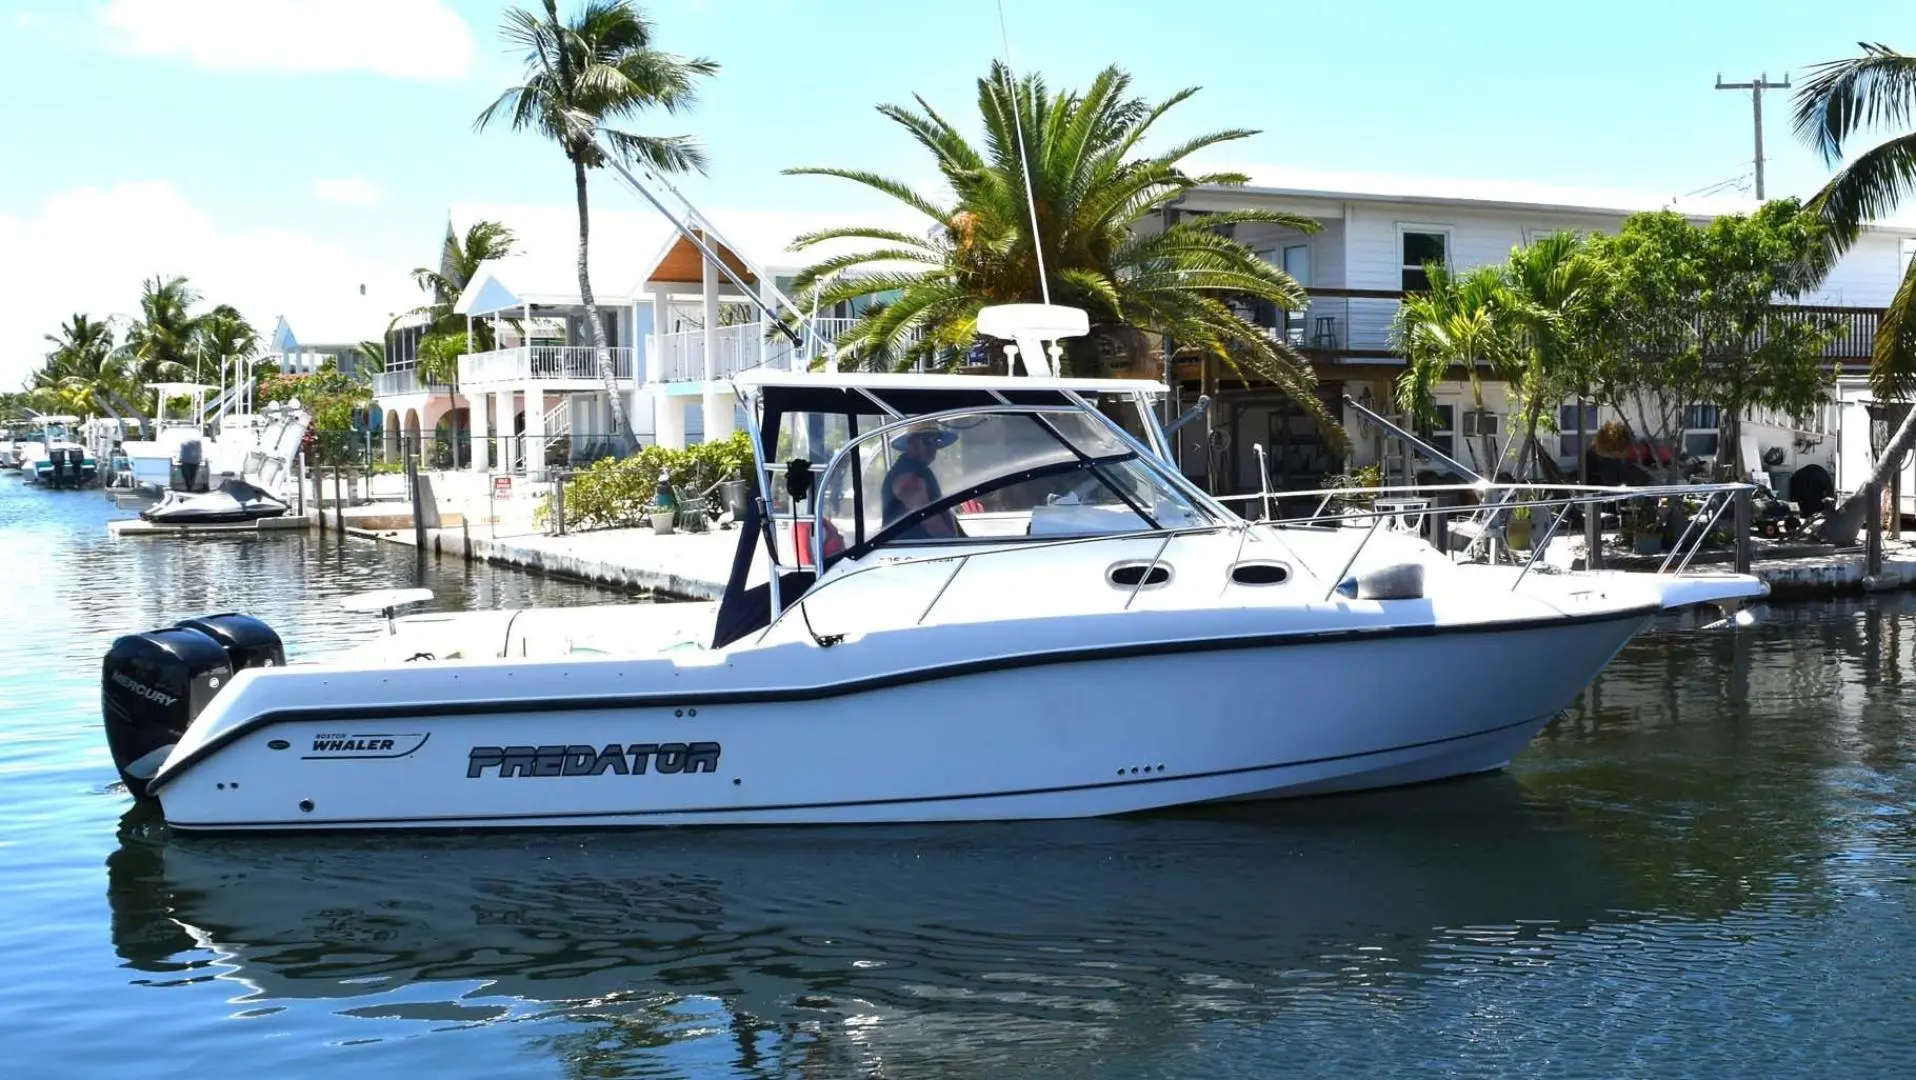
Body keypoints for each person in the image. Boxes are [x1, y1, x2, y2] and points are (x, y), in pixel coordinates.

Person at [881, 423, 961, 539]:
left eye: (936, 440)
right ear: (912, 443)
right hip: (914, 552)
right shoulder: (907, 477)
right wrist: (955, 544)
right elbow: (930, 521)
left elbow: (940, 511)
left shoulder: (922, 471)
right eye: (927, 440)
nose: (933, 446)